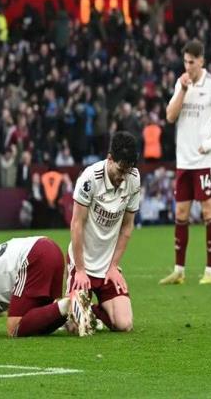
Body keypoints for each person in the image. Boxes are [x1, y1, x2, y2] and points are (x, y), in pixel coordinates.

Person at [159, 40, 211, 285]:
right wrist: (182, 90)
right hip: (183, 162)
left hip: (204, 161)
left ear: (201, 61)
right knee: (181, 213)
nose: (188, 66)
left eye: (191, 62)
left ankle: (210, 271)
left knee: (208, 212)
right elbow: (170, 117)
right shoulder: (181, 83)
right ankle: (179, 271)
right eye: (185, 62)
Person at [68, 131, 141, 332]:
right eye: (120, 170)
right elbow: (76, 224)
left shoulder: (133, 179)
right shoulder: (89, 178)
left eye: (128, 171)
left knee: (124, 325)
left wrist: (113, 266)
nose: (123, 177)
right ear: (110, 159)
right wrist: (80, 270)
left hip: (107, 266)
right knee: (75, 327)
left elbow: (127, 227)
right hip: (83, 263)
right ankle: (70, 307)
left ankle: (88, 310)